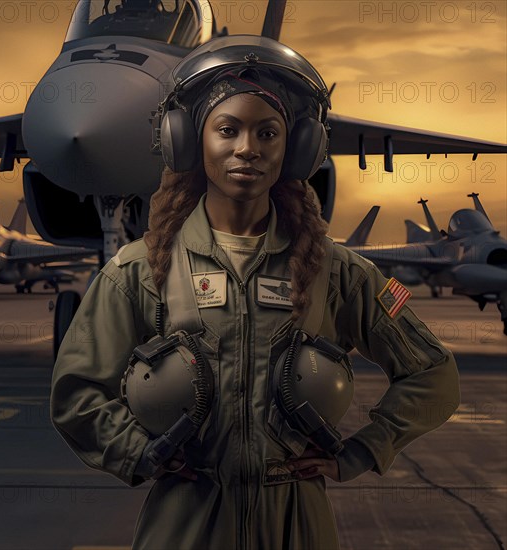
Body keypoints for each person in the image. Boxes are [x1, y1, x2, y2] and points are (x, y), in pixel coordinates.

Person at [51, 36, 461, 550]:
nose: (248, 148)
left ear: (297, 148)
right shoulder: (137, 272)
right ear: (189, 140)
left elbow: (433, 371)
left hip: (297, 524)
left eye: (268, 133)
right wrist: (139, 452)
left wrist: (363, 450)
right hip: (185, 522)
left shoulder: (335, 272)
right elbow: (77, 392)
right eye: (227, 130)